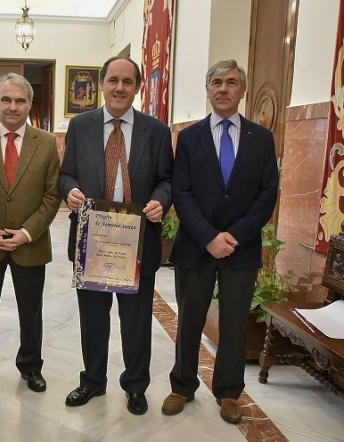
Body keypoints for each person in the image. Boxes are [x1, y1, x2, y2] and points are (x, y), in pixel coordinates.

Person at [162, 59, 278, 424]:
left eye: (231, 82)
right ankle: (182, 385)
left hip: (241, 249)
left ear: (242, 90)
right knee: (190, 319)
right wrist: (209, 236)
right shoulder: (191, 137)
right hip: (196, 246)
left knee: (233, 323)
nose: (223, 89)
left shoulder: (262, 138)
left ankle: (229, 392)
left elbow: (266, 195)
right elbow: (181, 192)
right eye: (216, 82)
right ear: (208, 89)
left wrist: (235, 236)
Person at [59, 56, 173, 415]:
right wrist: (71, 191)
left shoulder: (155, 131)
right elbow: (67, 174)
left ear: (137, 87)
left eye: (127, 81)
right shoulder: (80, 126)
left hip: (137, 241)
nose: (120, 87)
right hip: (91, 239)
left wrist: (159, 200)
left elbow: (167, 180)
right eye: (113, 80)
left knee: (136, 320)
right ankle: (92, 381)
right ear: (102, 84)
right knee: (93, 317)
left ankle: (135, 386)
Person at [0, 73, 60, 395]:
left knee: (30, 311)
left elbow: (52, 195)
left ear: (30, 104)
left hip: (29, 244)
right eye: (6, 99)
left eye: (20, 100)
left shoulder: (46, 143)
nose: (13, 107)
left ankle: (31, 367)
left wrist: (27, 232)